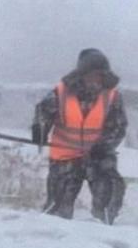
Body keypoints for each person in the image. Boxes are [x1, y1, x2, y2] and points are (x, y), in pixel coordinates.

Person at [32, 48, 128, 224]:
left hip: (99, 157)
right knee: (56, 211)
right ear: (81, 75)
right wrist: (39, 130)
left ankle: (104, 236)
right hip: (65, 157)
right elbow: (43, 112)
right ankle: (53, 241)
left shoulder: (112, 96)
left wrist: (104, 146)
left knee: (107, 204)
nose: (96, 81)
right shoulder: (61, 92)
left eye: (100, 76)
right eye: (92, 76)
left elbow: (119, 126)